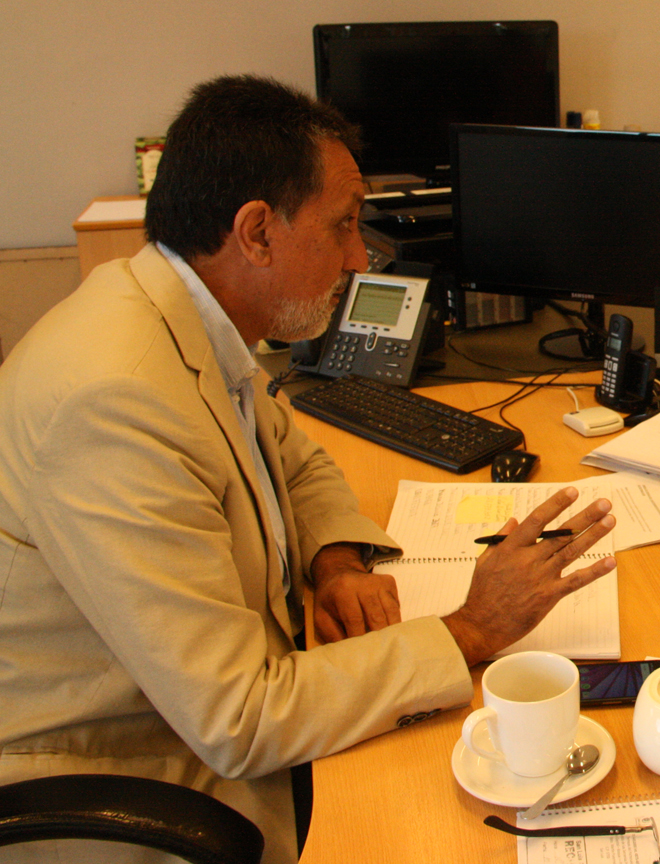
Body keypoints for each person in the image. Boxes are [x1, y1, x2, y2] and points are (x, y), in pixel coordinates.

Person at [0, 75, 617, 864]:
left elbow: (295, 459)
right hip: (130, 771)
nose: (361, 258)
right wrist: (468, 630)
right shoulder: (113, 398)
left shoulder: (174, 315)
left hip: (200, 707)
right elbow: (241, 719)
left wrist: (335, 558)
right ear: (256, 231)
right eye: (344, 227)